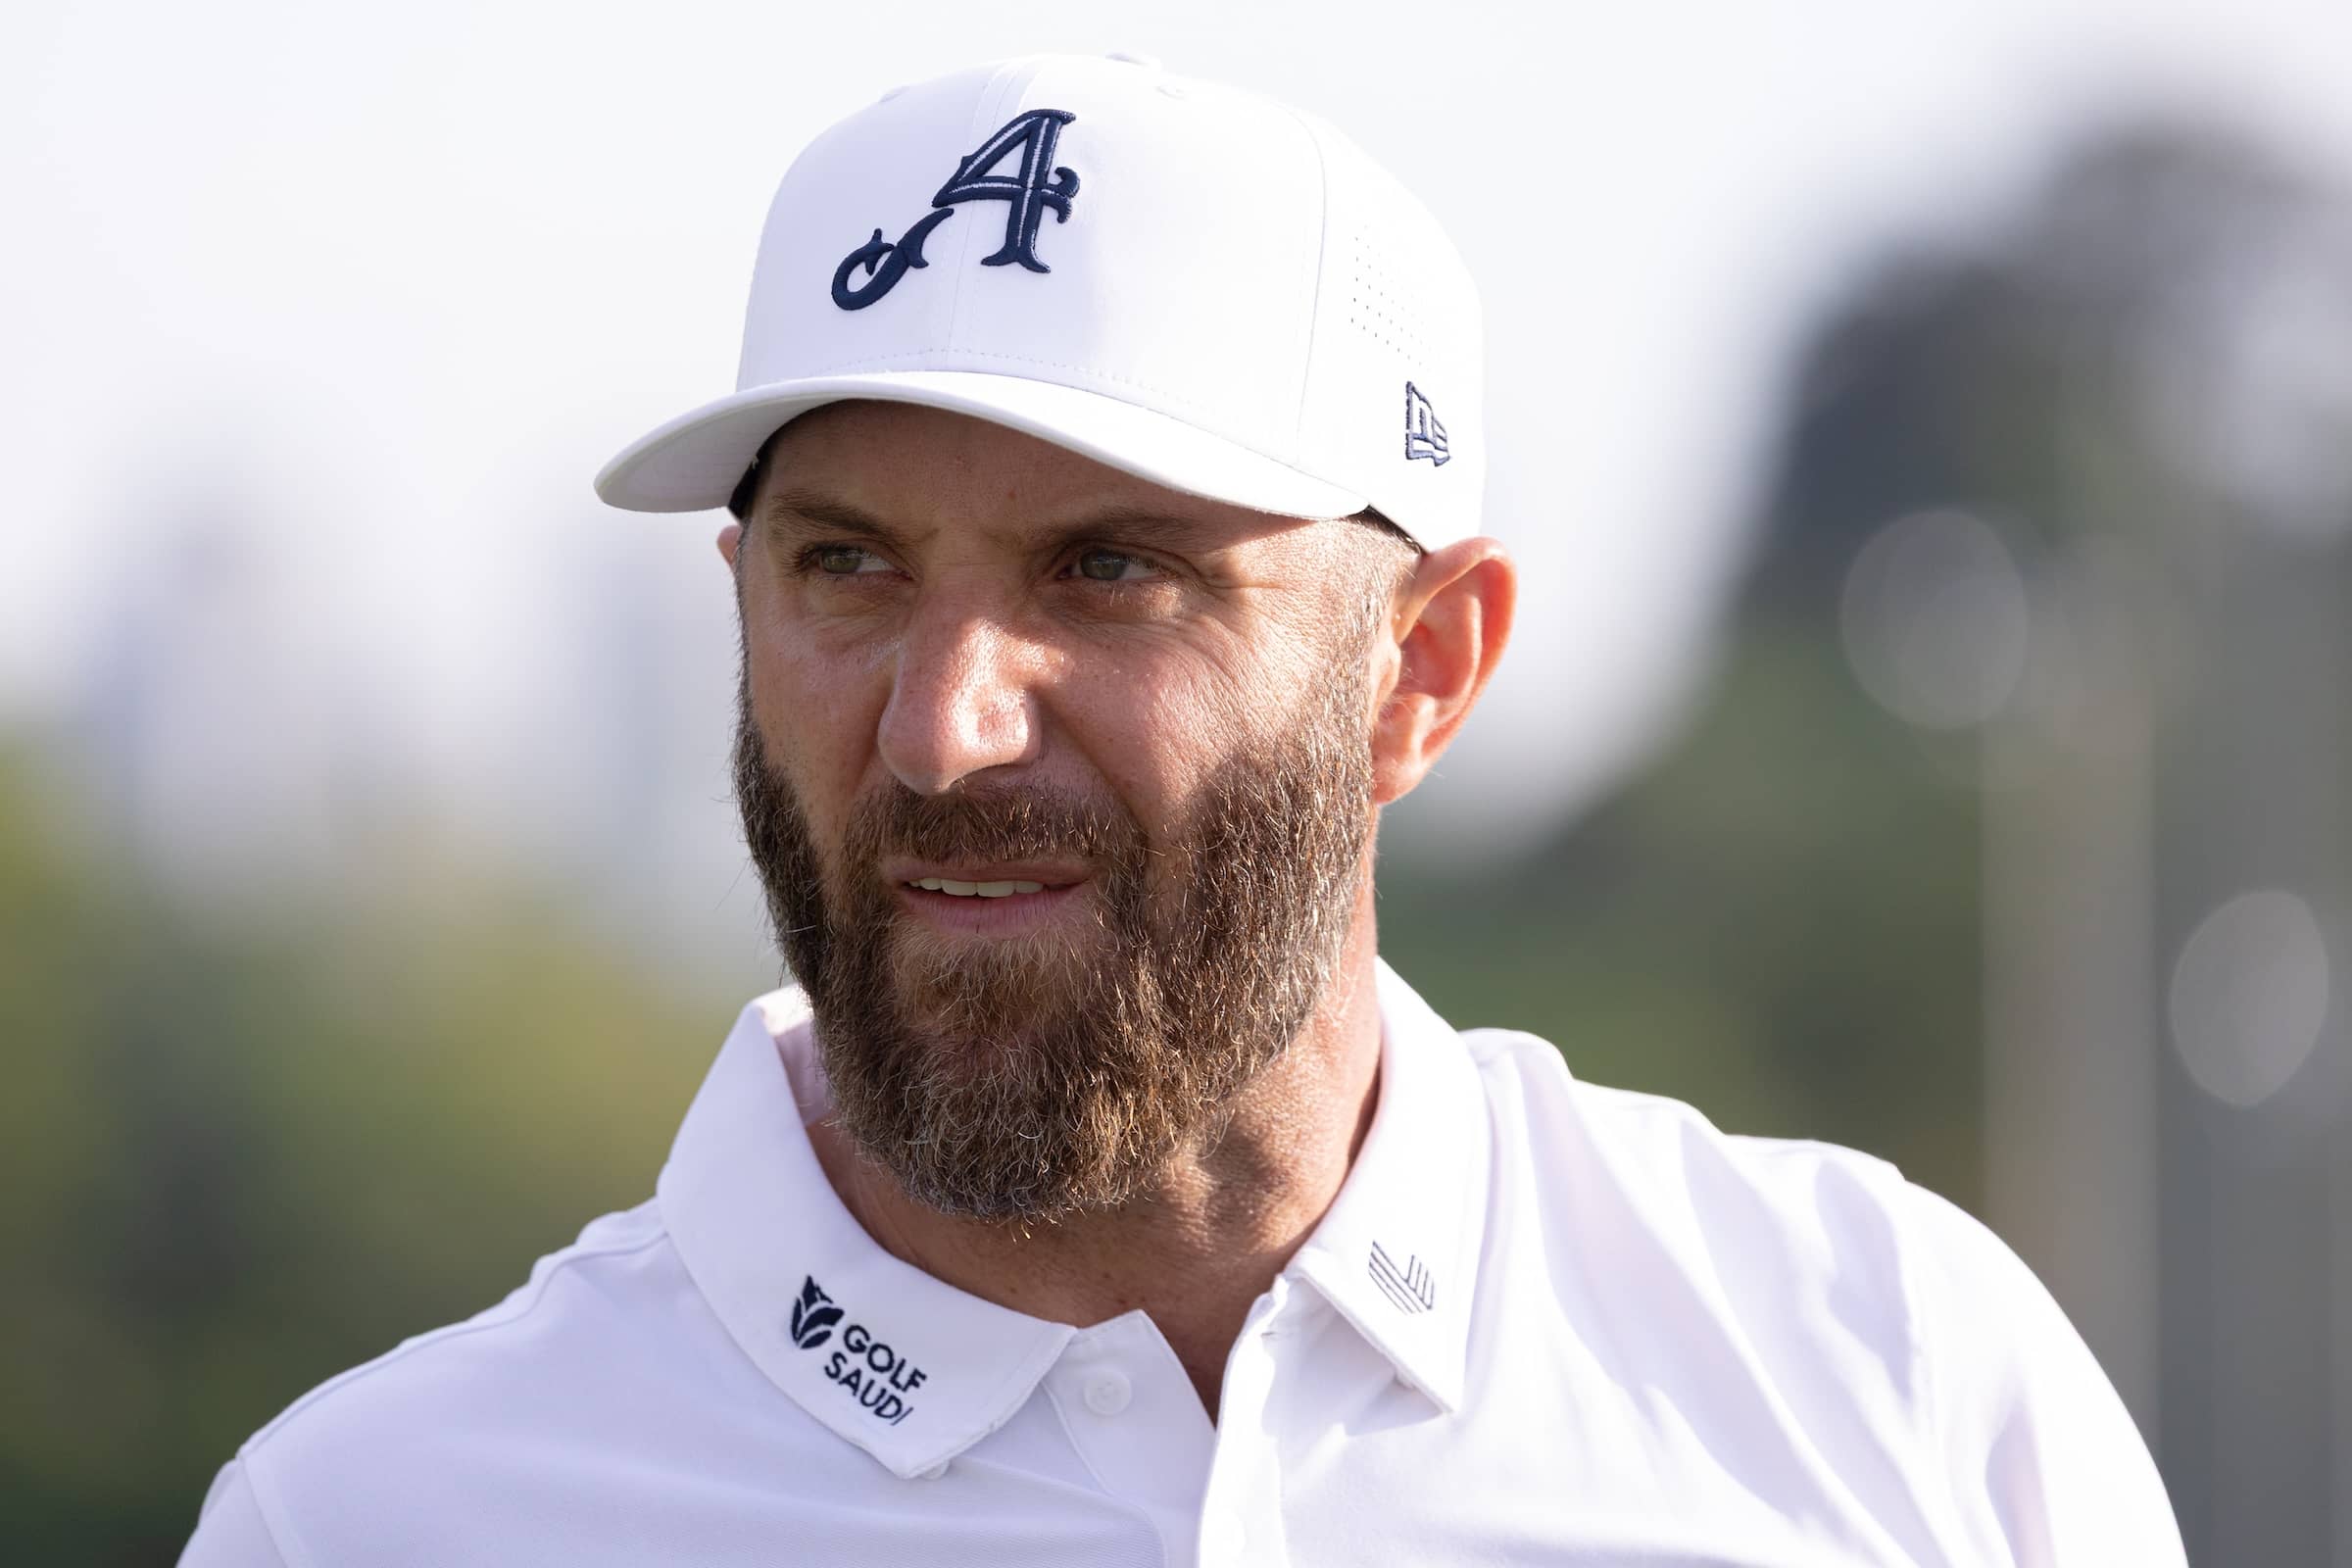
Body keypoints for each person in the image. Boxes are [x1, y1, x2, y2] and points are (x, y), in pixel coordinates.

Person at [177, 53, 2184, 1566]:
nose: (944, 731)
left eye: (1112, 570)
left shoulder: (1899, 1393)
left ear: (1422, 670)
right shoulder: (378, 1518)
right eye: (849, 566)